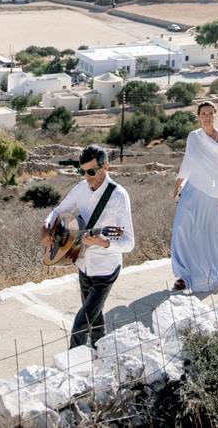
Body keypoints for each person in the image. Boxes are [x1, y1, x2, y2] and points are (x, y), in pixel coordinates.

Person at [41, 144, 134, 348]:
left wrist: (105, 242)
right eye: (82, 171)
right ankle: (101, 349)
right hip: (83, 265)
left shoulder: (118, 196)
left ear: (105, 166)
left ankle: (73, 361)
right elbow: (58, 211)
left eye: (91, 171)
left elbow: (129, 242)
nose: (86, 177)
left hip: (105, 270)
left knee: (82, 321)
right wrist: (46, 226)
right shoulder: (81, 188)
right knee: (94, 317)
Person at [171, 101, 218, 292]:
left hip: (214, 194)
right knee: (182, 226)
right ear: (198, 116)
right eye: (203, 113)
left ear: (215, 115)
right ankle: (184, 273)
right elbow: (188, 161)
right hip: (192, 189)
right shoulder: (193, 137)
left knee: (211, 232)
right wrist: (178, 182)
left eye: (210, 113)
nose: (206, 116)